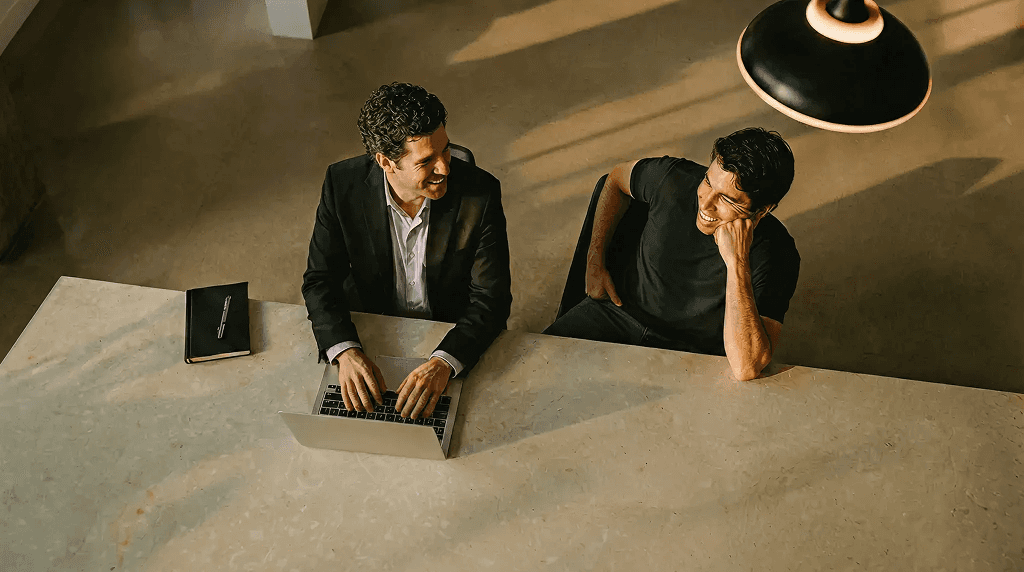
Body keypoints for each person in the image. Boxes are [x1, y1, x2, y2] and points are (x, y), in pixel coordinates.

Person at [302, 82, 512, 419]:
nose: (445, 167)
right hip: (372, 338)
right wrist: (346, 352)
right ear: (386, 162)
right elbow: (320, 280)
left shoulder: (481, 194)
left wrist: (444, 362)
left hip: (451, 337)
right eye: (427, 160)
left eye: (446, 150)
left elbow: (492, 298)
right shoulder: (342, 186)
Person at [544, 127, 799, 381]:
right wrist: (594, 260)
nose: (706, 202)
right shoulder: (672, 177)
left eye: (727, 199)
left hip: (691, 354)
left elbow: (747, 366)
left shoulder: (778, 253)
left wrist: (737, 262)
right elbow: (615, 180)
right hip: (616, 314)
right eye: (708, 181)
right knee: (533, 372)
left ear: (763, 210)